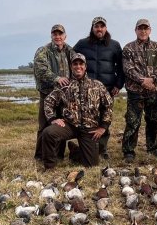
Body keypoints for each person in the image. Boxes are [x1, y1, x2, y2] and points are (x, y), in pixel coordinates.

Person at [42, 53, 113, 169]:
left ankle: (75, 152)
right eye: (75, 64)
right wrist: (53, 119)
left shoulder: (97, 85)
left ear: (85, 66)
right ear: (71, 67)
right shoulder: (64, 86)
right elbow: (48, 102)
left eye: (81, 64)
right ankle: (49, 166)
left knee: (91, 165)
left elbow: (108, 106)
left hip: (89, 129)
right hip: (69, 125)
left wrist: (103, 127)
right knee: (48, 133)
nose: (78, 66)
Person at [73, 16, 124, 159]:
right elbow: (71, 60)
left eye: (102, 26)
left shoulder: (114, 45)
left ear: (106, 28)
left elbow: (121, 67)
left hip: (107, 88)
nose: (99, 29)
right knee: (86, 119)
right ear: (92, 28)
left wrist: (118, 85)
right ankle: (87, 146)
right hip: (86, 89)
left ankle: (103, 148)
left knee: (104, 118)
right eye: (96, 26)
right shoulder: (82, 44)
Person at [122, 19, 157, 163]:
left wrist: (152, 79)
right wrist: (142, 81)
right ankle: (128, 151)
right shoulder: (128, 48)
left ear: (150, 30)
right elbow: (128, 68)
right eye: (140, 28)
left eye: (145, 28)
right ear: (135, 30)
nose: (143, 31)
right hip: (135, 92)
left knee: (153, 121)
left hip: (154, 91)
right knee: (133, 121)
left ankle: (152, 149)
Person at [33, 24, 75, 161]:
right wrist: (57, 78)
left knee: (62, 123)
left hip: (64, 95)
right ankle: (40, 155)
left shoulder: (69, 50)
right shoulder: (43, 51)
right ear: (51, 36)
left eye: (60, 34)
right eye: (55, 34)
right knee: (45, 125)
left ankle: (59, 155)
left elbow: (77, 65)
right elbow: (40, 70)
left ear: (65, 36)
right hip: (48, 94)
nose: (58, 37)